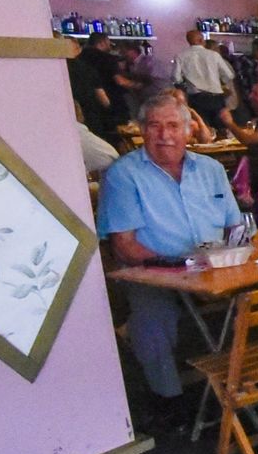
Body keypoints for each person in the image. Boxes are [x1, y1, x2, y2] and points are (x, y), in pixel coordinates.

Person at [96, 94, 243, 419]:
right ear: (142, 131)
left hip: (217, 267)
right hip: (154, 270)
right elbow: (124, 246)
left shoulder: (211, 168)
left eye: (173, 126)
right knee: (151, 313)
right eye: (155, 126)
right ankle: (168, 399)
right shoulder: (123, 175)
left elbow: (235, 225)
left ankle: (249, 382)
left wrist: (235, 255)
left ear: (189, 131)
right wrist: (181, 267)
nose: (165, 135)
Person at [174, 29, 236, 130]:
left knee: (202, 130)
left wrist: (186, 84)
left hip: (196, 98)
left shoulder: (180, 57)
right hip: (217, 98)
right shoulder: (214, 55)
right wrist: (220, 83)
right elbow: (229, 75)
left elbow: (176, 78)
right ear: (202, 40)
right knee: (222, 130)